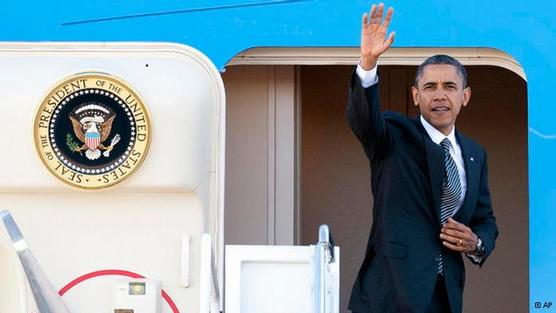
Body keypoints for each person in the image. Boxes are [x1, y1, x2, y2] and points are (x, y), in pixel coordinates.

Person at [347, 3, 499, 313]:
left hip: (445, 296)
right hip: (389, 296)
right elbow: (364, 119)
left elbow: (485, 220)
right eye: (430, 87)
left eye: (449, 87)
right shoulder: (393, 135)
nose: (440, 95)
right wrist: (368, 62)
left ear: (464, 97)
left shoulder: (474, 154)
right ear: (416, 95)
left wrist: (476, 242)